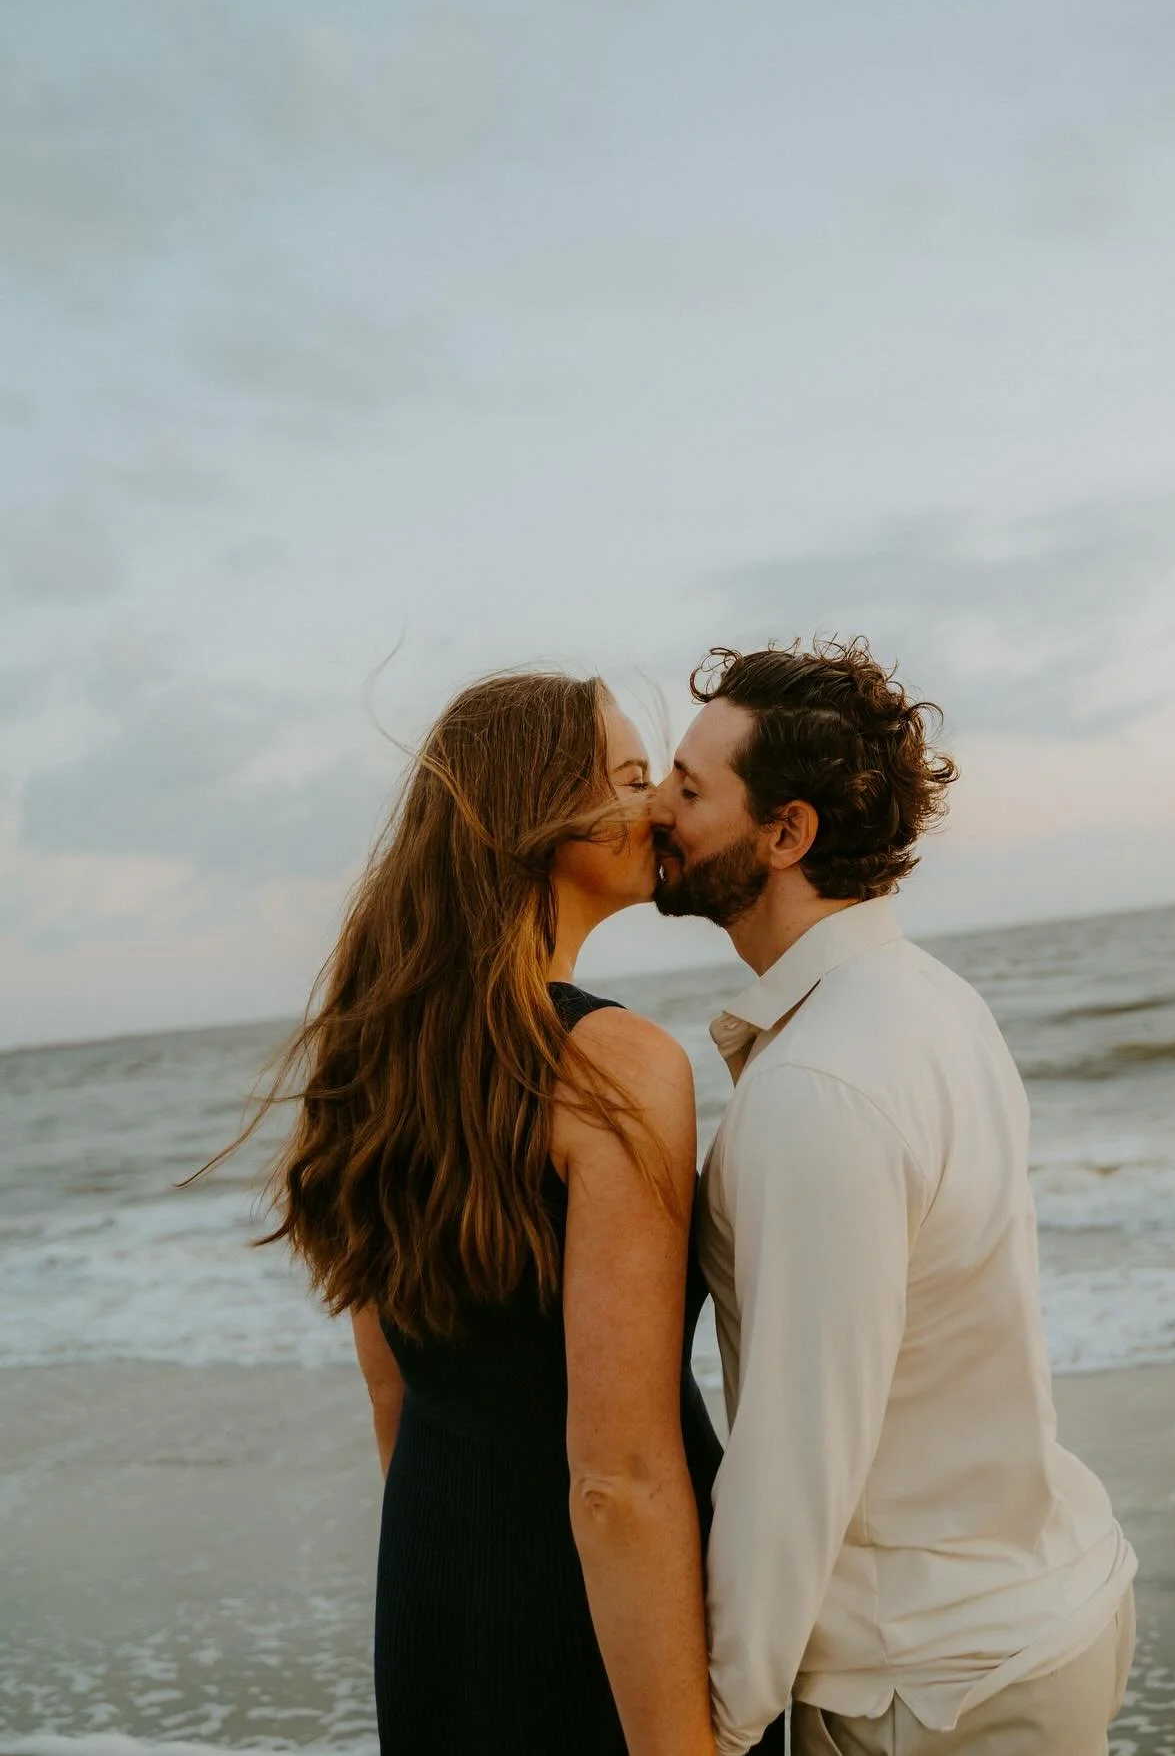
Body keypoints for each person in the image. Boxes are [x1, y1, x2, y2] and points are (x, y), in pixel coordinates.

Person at [202, 671, 782, 1755]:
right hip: (604, 1624)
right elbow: (618, 1479)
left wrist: (464, 1593)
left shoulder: (371, 1058)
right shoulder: (612, 1065)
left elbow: (393, 1388)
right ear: (537, 818)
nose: (658, 804)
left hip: (438, 1597)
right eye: (625, 776)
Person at [651, 639, 1138, 1756]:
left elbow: (798, 1442)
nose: (655, 812)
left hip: (932, 1685)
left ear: (786, 834)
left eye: (689, 787)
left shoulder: (825, 1078)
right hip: (1029, 1615)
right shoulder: (928, 998)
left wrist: (716, 1723)